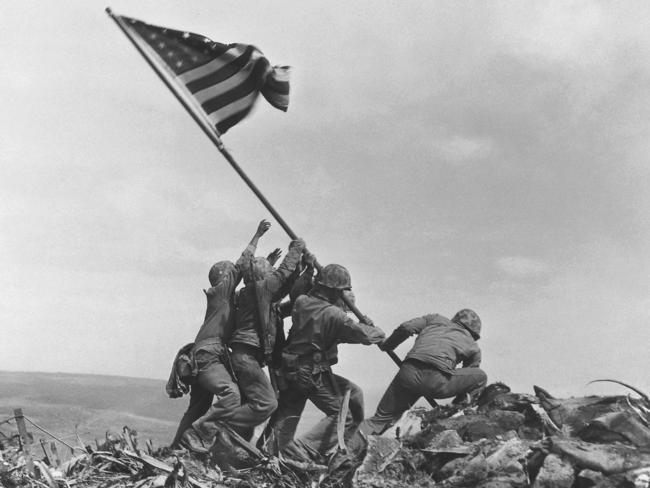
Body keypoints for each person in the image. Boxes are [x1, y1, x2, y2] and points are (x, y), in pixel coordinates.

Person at [270, 264, 386, 463]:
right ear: (334, 290)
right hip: (311, 371)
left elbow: (335, 332)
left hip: (290, 368)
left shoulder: (302, 302)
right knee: (344, 414)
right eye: (341, 291)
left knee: (290, 411)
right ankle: (304, 450)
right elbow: (366, 336)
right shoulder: (335, 315)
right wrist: (375, 329)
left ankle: (271, 451)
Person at [172, 220, 271, 452]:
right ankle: (198, 435)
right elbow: (242, 264)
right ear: (224, 277)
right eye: (231, 275)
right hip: (209, 355)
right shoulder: (220, 292)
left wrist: (268, 267)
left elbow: (250, 281)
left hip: (204, 355)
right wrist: (257, 236)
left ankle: (176, 449)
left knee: (198, 407)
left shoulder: (224, 299)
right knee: (231, 395)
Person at [224, 236, 307, 441]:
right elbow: (283, 273)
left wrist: (302, 269)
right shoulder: (262, 289)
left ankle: (229, 449)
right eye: (270, 271)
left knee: (250, 406)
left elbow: (285, 285)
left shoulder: (252, 293)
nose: (274, 274)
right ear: (263, 276)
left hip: (244, 356)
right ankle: (215, 426)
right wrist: (296, 249)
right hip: (246, 357)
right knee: (267, 404)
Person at [358, 309, 487, 438]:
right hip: (437, 382)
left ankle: (345, 446)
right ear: (474, 333)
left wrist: (387, 345)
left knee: (379, 419)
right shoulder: (473, 346)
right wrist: (456, 406)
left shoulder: (435, 319)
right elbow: (468, 380)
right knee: (480, 377)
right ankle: (455, 415)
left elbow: (407, 327)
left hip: (408, 373)